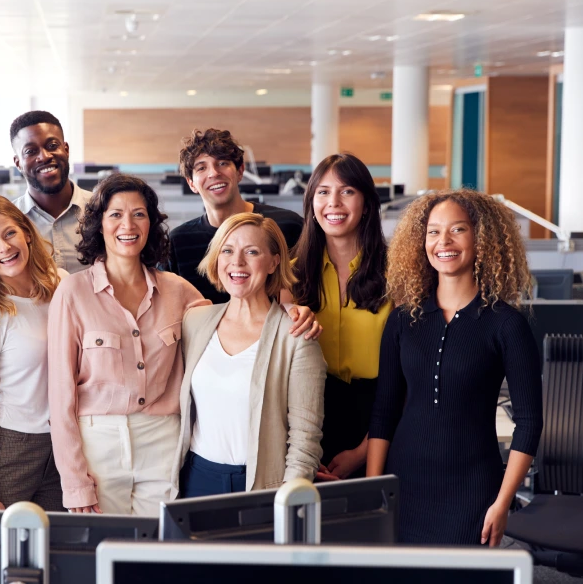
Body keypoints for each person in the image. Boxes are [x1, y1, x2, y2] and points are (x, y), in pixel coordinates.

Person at [367, 190, 543, 545]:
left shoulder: (507, 324)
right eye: (433, 231)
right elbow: (384, 413)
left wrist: (502, 502)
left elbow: (529, 422)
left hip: (473, 490)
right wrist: (374, 491)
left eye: (458, 229)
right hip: (404, 483)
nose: (443, 241)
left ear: (482, 238)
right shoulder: (403, 320)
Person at [48, 173, 209, 516]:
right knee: (101, 553)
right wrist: (75, 482)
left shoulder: (179, 291)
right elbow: (60, 395)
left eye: (139, 213)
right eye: (116, 214)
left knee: (155, 554)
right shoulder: (72, 293)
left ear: (151, 223)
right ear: (99, 223)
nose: (128, 224)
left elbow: (233, 324)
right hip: (97, 442)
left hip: (163, 439)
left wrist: (285, 307)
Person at [172, 213, 325, 498]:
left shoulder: (296, 336)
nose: (237, 262)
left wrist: (289, 500)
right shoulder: (194, 321)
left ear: (273, 261)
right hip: (197, 478)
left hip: (263, 484)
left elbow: (305, 439)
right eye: (227, 251)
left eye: (252, 252)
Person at [0, 196, 65, 511]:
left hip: (62, 447)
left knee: (55, 552)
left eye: (9, 234)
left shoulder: (63, 286)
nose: (3, 248)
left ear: (26, 233)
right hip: (10, 447)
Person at [289, 153, 392, 481]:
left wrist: (363, 453)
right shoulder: (289, 278)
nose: (333, 202)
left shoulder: (398, 276)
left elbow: (407, 377)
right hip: (309, 416)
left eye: (347, 191)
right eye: (322, 191)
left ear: (366, 203)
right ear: (311, 202)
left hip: (379, 418)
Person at [167, 128, 304, 304]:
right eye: (201, 167)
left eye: (222, 163)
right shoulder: (179, 242)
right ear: (191, 183)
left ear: (240, 171)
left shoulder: (287, 225)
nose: (214, 173)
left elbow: (311, 291)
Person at [11, 110, 92, 274]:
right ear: (18, 163)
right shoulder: (8, 220)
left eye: (52, 146)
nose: (44, 156)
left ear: (66, 149)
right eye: (30, 151)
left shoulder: (101, 210)